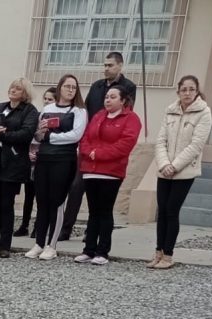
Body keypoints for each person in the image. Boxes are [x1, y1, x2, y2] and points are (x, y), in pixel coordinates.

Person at [61, 52, 138, 241]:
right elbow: (87, 111)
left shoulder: (128, 87)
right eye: (105, 65)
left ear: (120, 66)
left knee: (100, 200)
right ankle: (66, 228)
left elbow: (126, 114)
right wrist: (85, 144)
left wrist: (103, 150)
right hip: (89, 146)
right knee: (76, 187)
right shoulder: (96, 86)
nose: (106, 68)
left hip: (109, 152)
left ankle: (92, 232)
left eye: (110, 65)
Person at [72, 86, 142, 265]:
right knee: (93, 212)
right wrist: (89, 152)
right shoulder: (98, 116)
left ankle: (102, 251)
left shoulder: (131, 119)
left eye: (113, 97)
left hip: (111, 172)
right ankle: (89, 250)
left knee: (104, 211)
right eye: (106, 97)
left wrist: (98, 154)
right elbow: (85, 138)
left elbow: (125, 145)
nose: (108, 100)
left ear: (123, 100)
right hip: (90, 170)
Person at [149, 75, 212, 269]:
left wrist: (174, 166)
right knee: (162, 210)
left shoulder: (204, 112)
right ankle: (158, 252)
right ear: (178, 91)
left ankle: (168, 255)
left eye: (191, 89)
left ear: (197, 91)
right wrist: (164, 164)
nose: (187, 93)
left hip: (184, 171)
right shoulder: (170, 111)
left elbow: (196, 144)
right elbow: (161, 140)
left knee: (171, 210)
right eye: (184, 89)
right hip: (164, 169)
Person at [25, 74, 88, 260]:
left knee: (57, 201)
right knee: (42, 201)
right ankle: (39, 243)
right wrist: (40, 133)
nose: (70, 90)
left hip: (64, 159)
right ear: (60, 87)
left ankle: (51, 245)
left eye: (74, 87)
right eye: (67, 86)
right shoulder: (47, 109)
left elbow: (75, 135)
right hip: (44, 158)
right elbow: (37, 135)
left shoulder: (79, 111)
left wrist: (50, 137)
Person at [0, 78, 39, 258]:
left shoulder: (29, 111)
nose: (13, 90)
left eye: (18, 88)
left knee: (7, 204)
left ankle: (5, 245)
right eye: (12, 87)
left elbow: (26, 134)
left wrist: (3, 135)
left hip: (13, 163)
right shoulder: (0, 108)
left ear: (25, 93)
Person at [15, 87, 56, 237]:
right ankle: (24, 225)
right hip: (30, 160)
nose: (46, 101)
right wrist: (29, 153)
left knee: (41, 197)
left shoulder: (55, 119)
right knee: (28, 196)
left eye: (50, 99)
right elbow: (29, 135)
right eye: (45, 98)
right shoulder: (37, 115)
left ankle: (39, 226)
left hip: (44, 161)